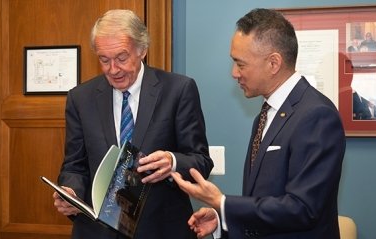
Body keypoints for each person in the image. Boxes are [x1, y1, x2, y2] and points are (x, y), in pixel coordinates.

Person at [171, 8, 346, 239]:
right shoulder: (264, 116)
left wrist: (223, 203)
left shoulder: (317, 115)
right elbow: (263, 201)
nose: (234, 73)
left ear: (273, 63)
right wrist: (223, 218)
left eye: (240, 64)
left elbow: (302, 209)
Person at [53, 9, 213, 239]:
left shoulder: (178, 90)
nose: (113, 69)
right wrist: (71, 192)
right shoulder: (81, 98)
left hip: (162, 228)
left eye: (121, 58)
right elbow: (74, 166)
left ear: (142, 51)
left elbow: (201, 161)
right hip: (98, 231)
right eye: (104, 59)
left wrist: (173, 161)